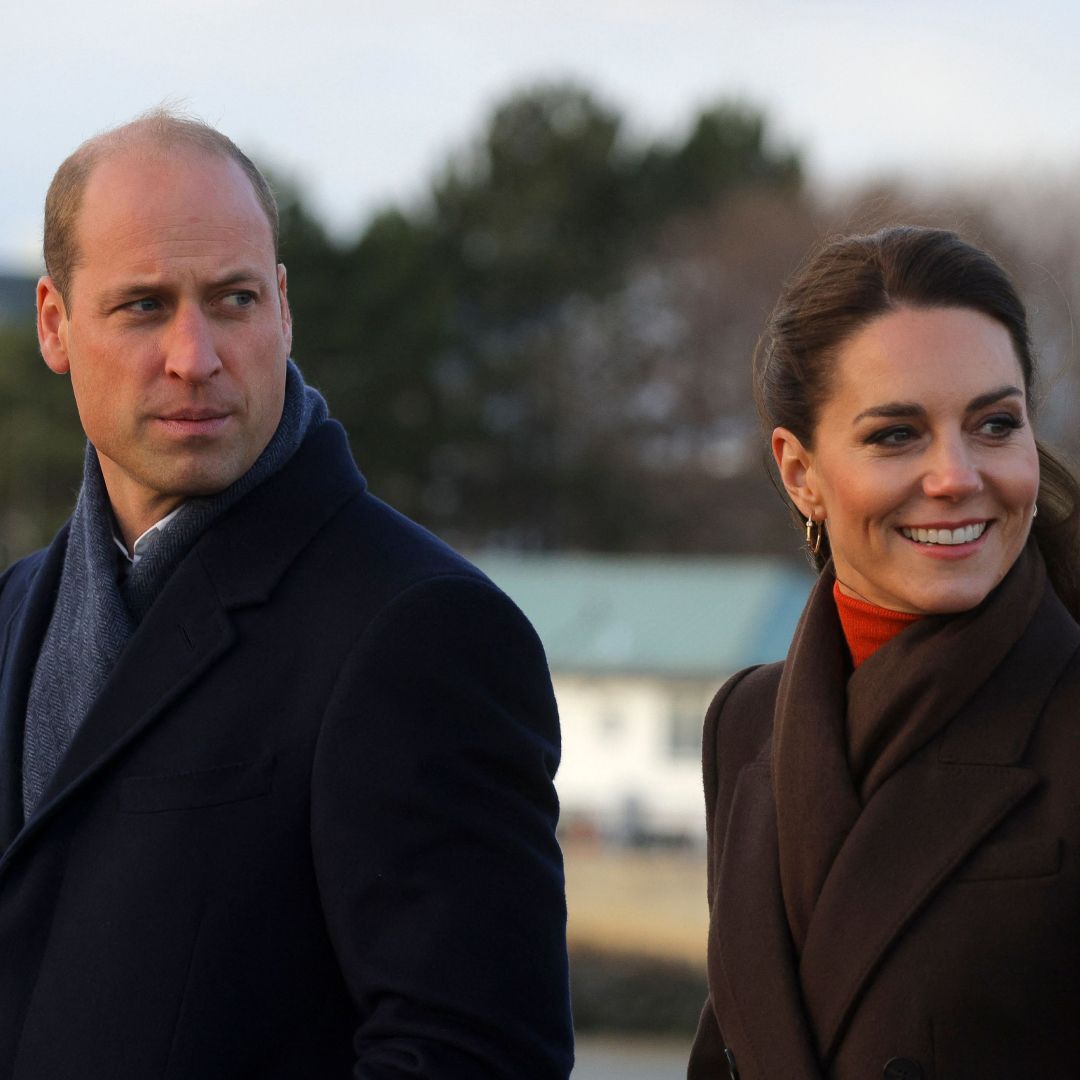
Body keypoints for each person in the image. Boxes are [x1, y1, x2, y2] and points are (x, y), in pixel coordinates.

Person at [0, 110, 573, 1079]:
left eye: (231, 300)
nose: (196, 356)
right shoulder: (15, 612)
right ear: (55, 324)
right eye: (143, 306)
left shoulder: (422, 627)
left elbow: (473, 1057)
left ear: (283, 306)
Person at [688, 225, 1080, 1080]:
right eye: (897, 434)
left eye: (994, 424)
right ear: (800, 473)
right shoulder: (745, 722)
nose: (956, 476)